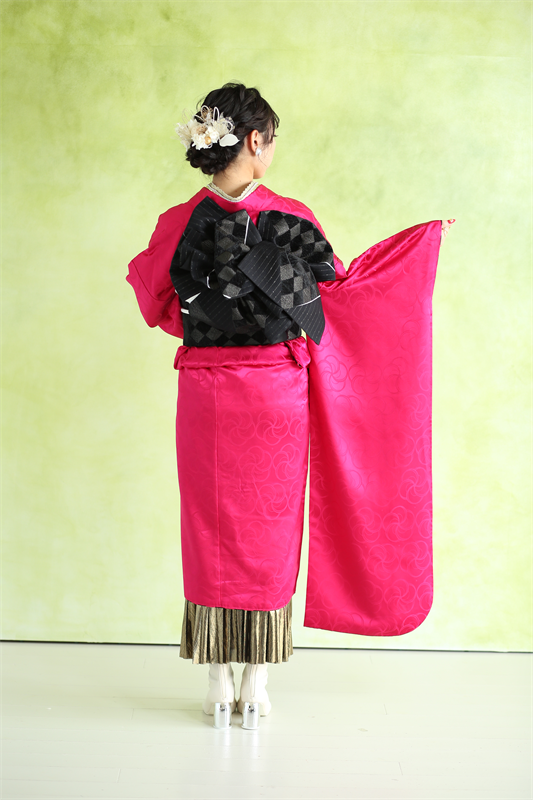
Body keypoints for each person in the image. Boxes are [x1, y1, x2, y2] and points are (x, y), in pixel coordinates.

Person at [127, 82, 454, 726]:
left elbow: (156, 300)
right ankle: (257, 683)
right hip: (276, 392)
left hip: (206, 391)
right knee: (270, 533)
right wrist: (417, 249)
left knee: (209, 529)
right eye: (270, 139)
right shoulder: (292, 218)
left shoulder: (179, 221)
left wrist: (210, 320)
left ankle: (217, 681)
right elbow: (344, 295)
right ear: (255, 141)